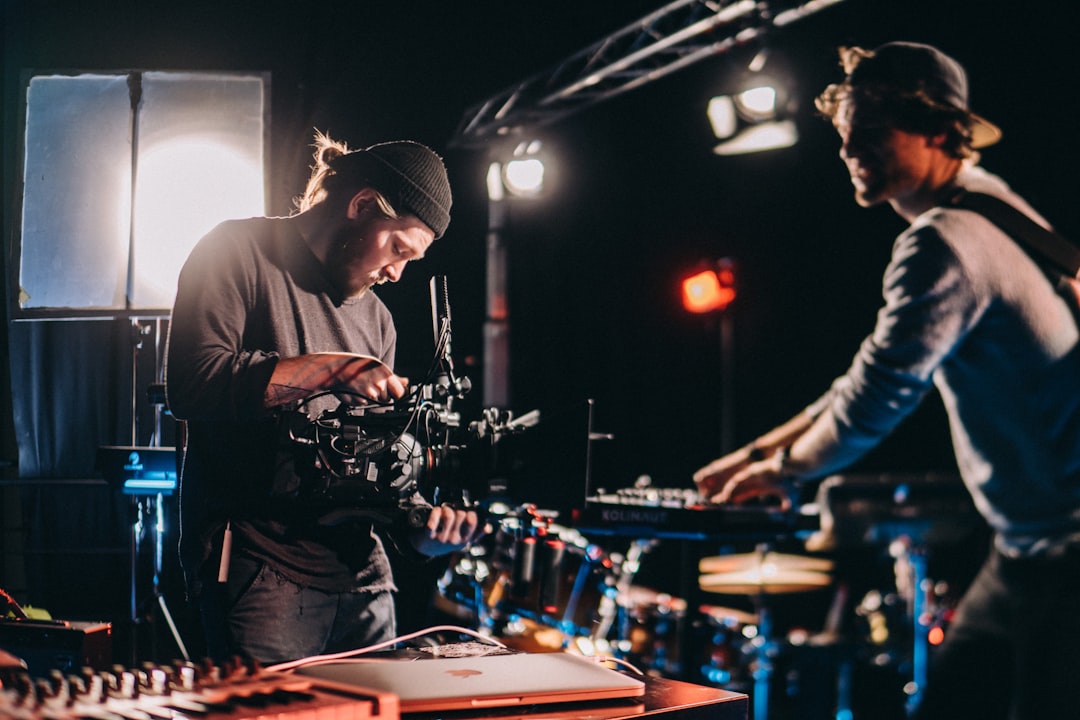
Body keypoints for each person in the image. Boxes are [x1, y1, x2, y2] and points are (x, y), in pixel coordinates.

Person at [693, 42, 1080, 719]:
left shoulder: (945, 241)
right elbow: (865, 377)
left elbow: (875, 400)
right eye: (844, 137)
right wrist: (756, 456)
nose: (848, 151)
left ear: (940, 132)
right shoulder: (993, 205)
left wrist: (784, 473)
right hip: (1030, 549)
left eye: (871, 133)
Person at [165, 132, 485, 665]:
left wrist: (424, 531)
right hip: (258, 574)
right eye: (398, 248)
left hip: (366, 586)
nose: (397, 272)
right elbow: (193, 384)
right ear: (361, 206)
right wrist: (334, 370)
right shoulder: (236, 251)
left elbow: (378, 473)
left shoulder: (378, 320)